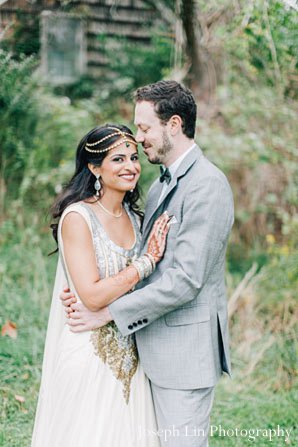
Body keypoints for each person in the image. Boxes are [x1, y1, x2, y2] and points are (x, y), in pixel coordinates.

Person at [61, 81, 234, 447]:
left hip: (184, 357)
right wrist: (89, 290)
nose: (138, 138)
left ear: (173, 124)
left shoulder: (208, 186)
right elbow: (140, 263)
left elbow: (186, 279)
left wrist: (107, 311)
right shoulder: (157, 188)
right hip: (148, 351)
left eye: (144, 128)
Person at [31, 124, 171, 447]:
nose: (131, 167)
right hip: (87, 355)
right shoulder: (78, 217)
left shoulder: (137, 220)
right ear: (95, 167)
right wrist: (145, 262)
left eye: (134, 158)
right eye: (118, 159)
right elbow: (92, 296)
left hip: (132, 359)